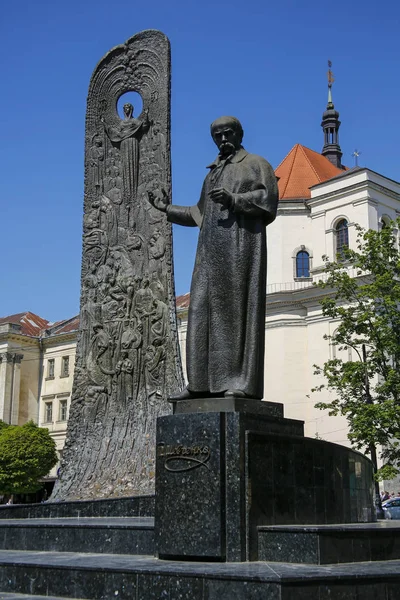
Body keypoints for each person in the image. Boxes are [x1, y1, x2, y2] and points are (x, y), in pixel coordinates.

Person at [148, 116, 278, 400]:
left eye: (227, 133)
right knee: (199, 314)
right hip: (208, 255)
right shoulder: (212, 174)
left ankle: (239, 383)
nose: (222, 139)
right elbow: (198, 213)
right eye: (217, 135)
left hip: (238, 251)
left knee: (234, 315)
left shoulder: (256, 164)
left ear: (240, 134)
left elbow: (268, 201)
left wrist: (234, 199)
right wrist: (165, 208)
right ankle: (199, 385)